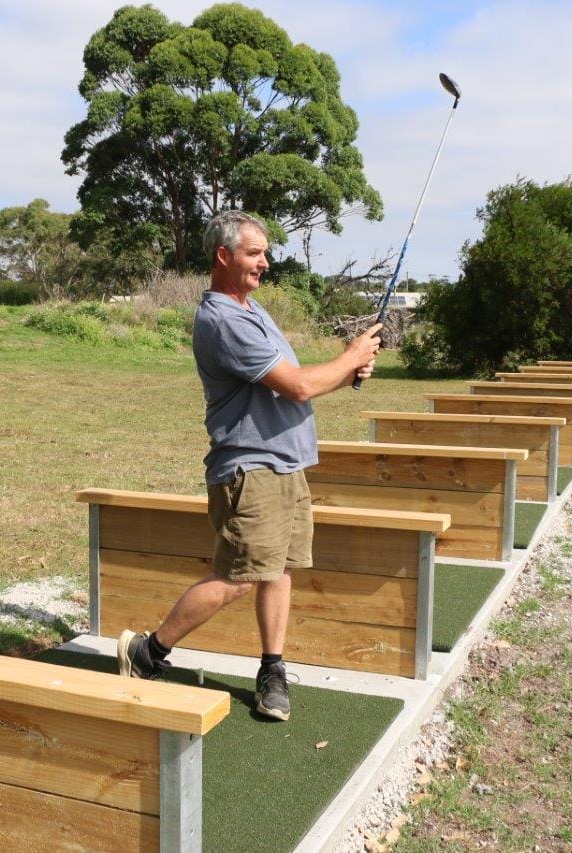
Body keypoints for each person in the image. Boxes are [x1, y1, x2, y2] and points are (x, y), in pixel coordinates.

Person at [117, 210, 382, 721]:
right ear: (223, 256)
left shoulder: (252, 309)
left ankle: (272, 669)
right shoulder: (223, 320)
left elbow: (295, 379)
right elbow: (300, 386)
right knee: (240, 576)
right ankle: (148, 651)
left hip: (286, 463)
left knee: (278, 570)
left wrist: (348, 373)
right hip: (251, 468)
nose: (265, 261)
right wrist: (350, 357)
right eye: (254, 252)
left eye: (264, 252)